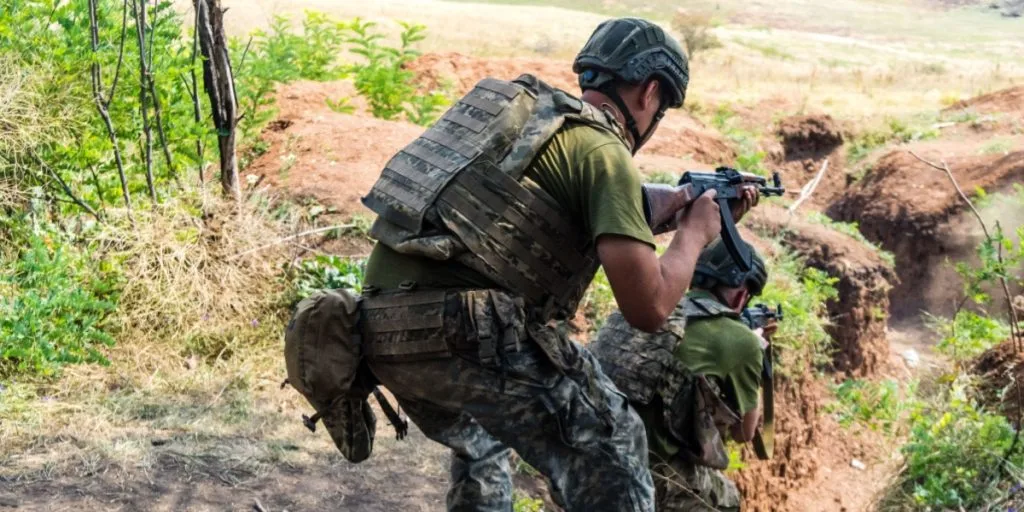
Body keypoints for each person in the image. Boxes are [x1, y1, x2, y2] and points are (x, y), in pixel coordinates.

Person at [316, 17, 757, 512]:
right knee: (615, 439)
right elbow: (650, 308)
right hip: (464, 333)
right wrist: (696, 233)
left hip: (376, 331)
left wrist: (666, 211)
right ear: (651, 93)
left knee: (484, 439)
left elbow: (526, 218)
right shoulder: (604, 152)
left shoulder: (530, 118)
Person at [590, 238, 774, 512]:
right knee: (727, 500)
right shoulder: (740, 341)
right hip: (644, 478)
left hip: (585, 456)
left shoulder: (647, 307)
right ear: (740, 295)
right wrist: (754, 350)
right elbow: (744, 432)